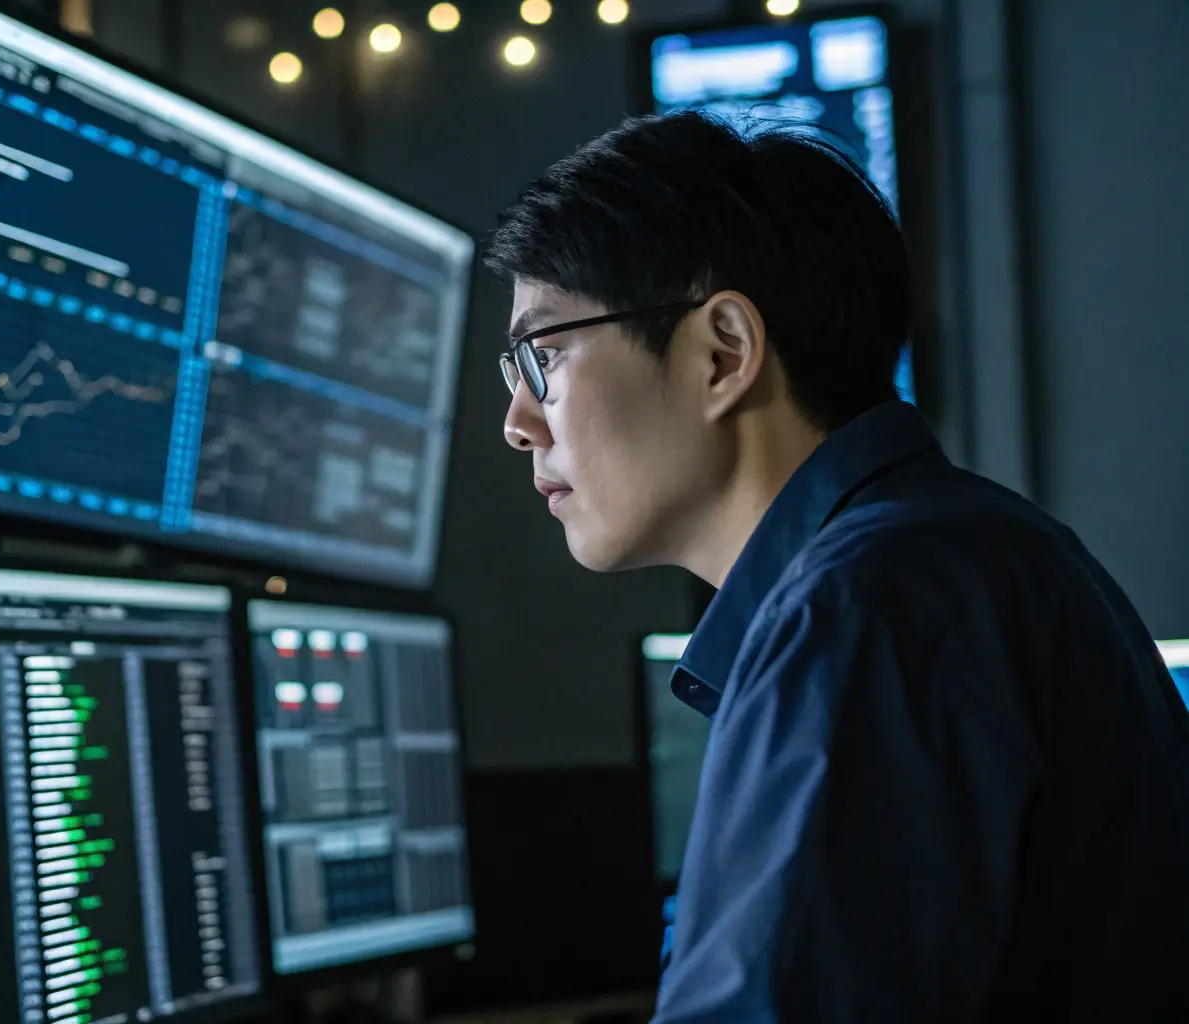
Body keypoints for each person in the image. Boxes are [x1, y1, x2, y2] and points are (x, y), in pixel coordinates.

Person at [484, 109, 1189, 1021]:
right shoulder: (959, 552)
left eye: (543, 358)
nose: (517, 422)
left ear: (721, 352)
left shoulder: (862, 606)